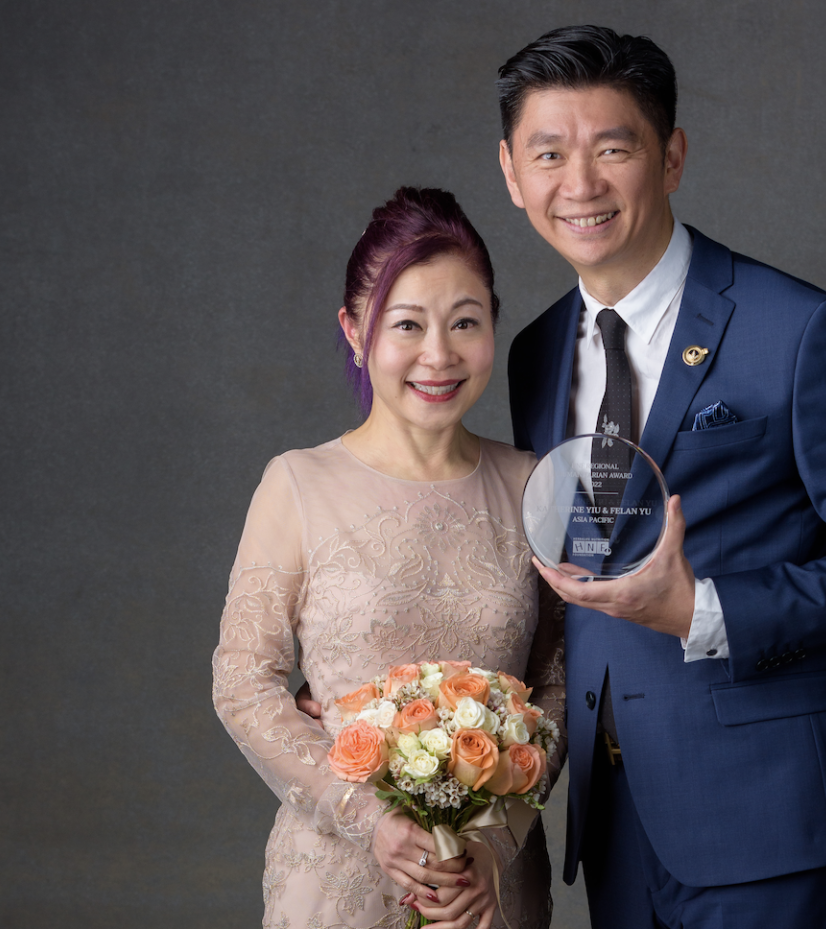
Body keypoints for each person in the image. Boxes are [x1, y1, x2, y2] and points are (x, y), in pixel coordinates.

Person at [497, 26, 826, 929]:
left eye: (611, 148)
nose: (578, 184)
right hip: (616, 820)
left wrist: (705, 611)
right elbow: (570, 570)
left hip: (768, 813)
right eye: (549, 153)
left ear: (670, 158)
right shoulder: (535, 351)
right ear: (512, 173)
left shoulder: (799, 329)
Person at [213, 186, 565, 929]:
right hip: (337, 876)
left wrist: (496, 845)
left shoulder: (536, 486)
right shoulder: (298, 484)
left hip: (484, 889)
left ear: (493, 325)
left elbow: (557, 687)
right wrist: (365, 815)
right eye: (408, 324)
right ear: (355, 329)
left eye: (465, 322)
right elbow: (243, 683)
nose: (439, 354)